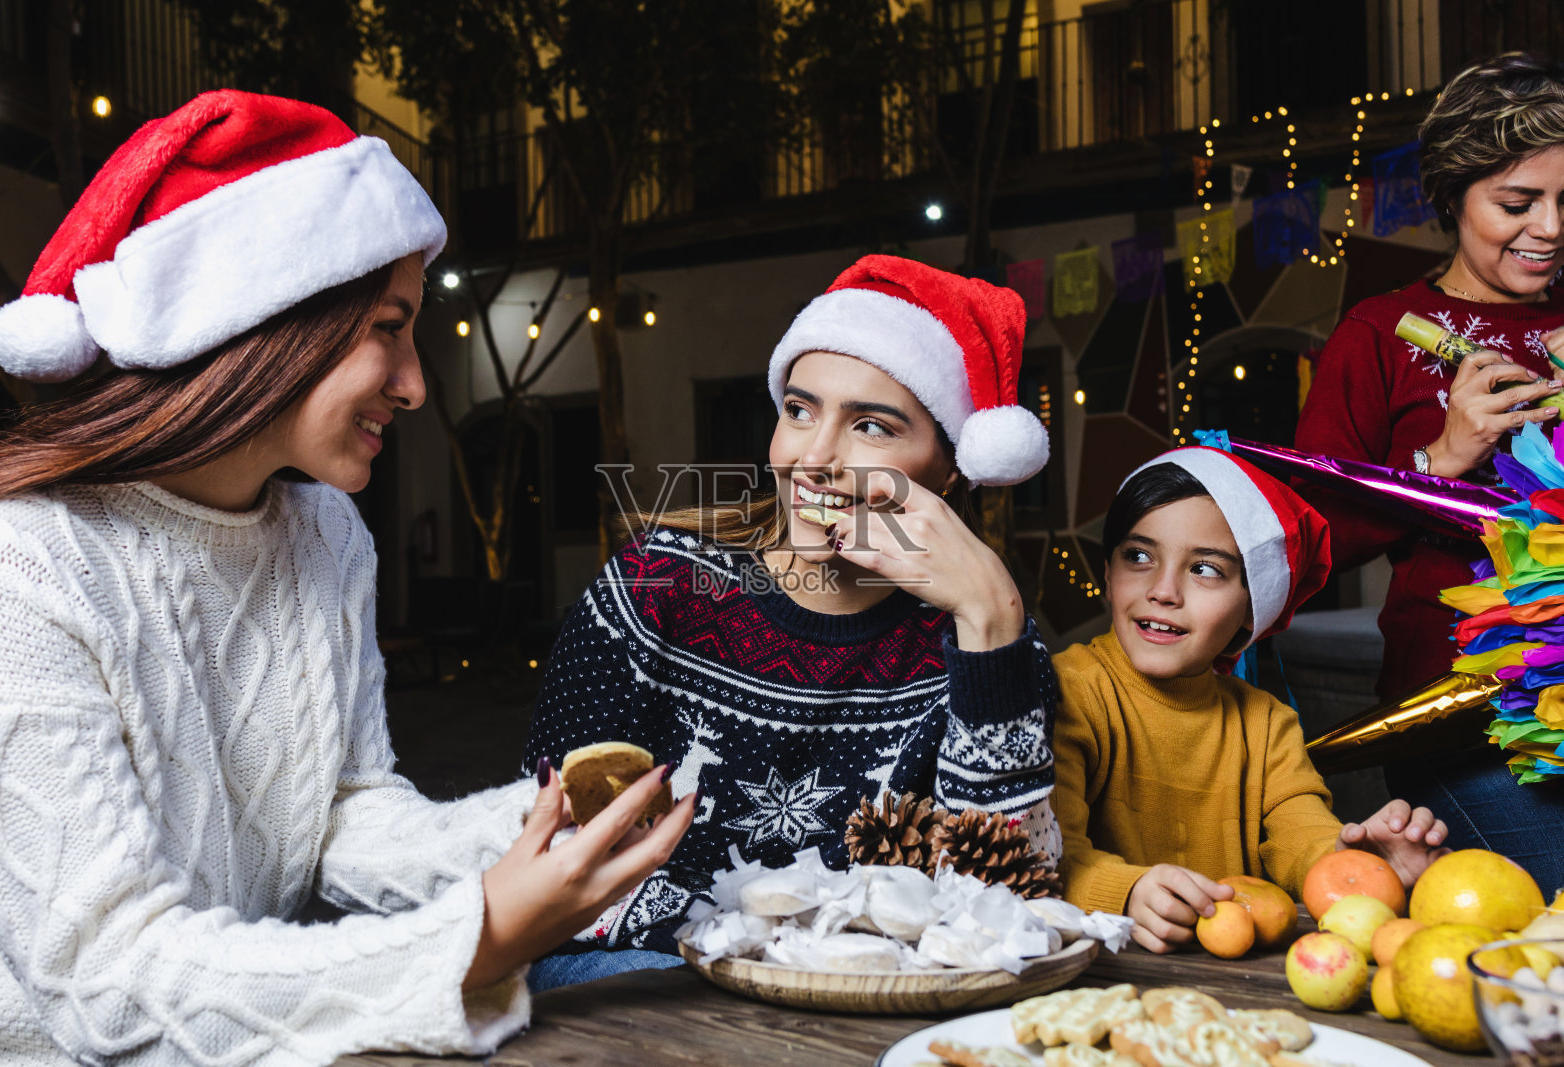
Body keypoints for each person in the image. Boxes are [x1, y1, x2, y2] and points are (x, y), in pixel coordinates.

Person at [0, 90, 693, 1066]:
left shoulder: (327, 533)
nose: (416, 382)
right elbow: (109, 977)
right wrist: (474, 934)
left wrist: (544, 825)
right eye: (389, 326)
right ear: (264, 318)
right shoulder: (15, 567)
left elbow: (345, 817)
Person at [522, 254, 1062, 981]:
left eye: (870, 426)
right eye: (799, 410)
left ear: (952, 467)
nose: (814, 457)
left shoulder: (983, 638)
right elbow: (544, 846)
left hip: (867, 997)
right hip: (638, 978)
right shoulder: (654, 588)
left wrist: (992, 621)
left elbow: (1000, 910)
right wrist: (747, 967)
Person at [1292, 52, 1564, 891]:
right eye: (1517, 203)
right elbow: (1304, 542)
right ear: (1452, 198)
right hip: (1459, 709)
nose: (1550, 228)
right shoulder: (1380, 335)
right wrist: (1442, 461)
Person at [1051, 447, 1449, 954]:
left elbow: (1301, 832)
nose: (1164, 591)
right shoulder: (1067, 690)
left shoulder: (1265, 724)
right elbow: (1051, 849)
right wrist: (1124, 892)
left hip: (1240, 986)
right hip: (1101, 975)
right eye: (1139, 556)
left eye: (1206, 570)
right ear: (1107, 574)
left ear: (1251, 607)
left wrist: (1356, 863)